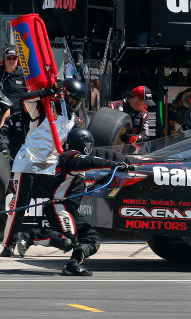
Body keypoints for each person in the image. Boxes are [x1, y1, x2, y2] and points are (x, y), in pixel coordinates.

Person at [16, 128, 131, 276]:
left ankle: (73, 264)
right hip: (60, 206)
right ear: (81, 142)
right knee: (67, 240)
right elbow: (91, 161)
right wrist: (115, 164)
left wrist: (102, 180)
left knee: (92, 239)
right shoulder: (71, 157)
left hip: (71, 209)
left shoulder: (74, 163)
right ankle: (29, 237)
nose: (90, 147)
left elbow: (80, 185)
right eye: (89, 144)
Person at [1, 78, 85, 257]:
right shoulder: (43, 107)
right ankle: (8, 245)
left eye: (76, 101)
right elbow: (24, 99)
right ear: (64, 95)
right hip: (28, 164)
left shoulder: (74, 120)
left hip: (51, 167)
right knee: (19, 206)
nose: (73, 104)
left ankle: (64, 236)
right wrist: (46, 93)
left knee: (61, 202)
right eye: (71, 99)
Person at [0, 48, 28, 159]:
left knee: (15, 149)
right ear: (4, 60)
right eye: (9, 58)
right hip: (2, 114)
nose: (11, 61)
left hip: (17, 118)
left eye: (14, 58)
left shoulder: (24, 75)